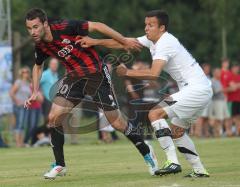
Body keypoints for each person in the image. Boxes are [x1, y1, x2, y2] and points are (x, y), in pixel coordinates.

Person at [24, 8, 158, 179]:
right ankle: (59, 164)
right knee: (54, 117)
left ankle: (147, 152)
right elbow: (38, 65)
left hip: (96, 74)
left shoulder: (65, 27)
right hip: (74, 78)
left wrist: (123, 40)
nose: (33, 32)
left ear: (45, 23)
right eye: (29, 28)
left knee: (117, 123)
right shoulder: (40, 45)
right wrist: (35, 91)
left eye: (35, 27)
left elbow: (98, 26)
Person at [78, 9, 213, 177]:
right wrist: (94, 42)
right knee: (177, 132)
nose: (146, 28)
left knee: (155, 113)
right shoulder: (153, 41)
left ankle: (172, 162)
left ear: (162, 28)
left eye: (151, 25)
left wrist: (127, 73)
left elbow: (154, 74)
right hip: (198, 89)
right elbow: (124, 43)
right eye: (145, 25)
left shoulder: (165, 43)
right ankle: (199, 170)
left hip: (196, 89)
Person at [10, 66, 32, 147]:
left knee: (23, 124)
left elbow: (30, 95)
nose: (25, 74)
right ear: (21, 73)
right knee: (19, 124)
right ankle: (18, 143)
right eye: (23, 72)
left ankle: (21, 142)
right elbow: (11, 93)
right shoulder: (18, 82)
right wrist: (17, 101)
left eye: (27, 72)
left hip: (25, 106)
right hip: (19, 106)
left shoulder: (28, 83)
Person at [40, 58, 59, 123]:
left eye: (56, 64)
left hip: (54, 101)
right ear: (50, 65)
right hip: (46, 101)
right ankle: (45, 133)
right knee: (47, 120)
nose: (55, 66)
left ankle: (50, 133)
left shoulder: (56, 74)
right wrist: (40, 93)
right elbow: (35, 83)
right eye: (53, 64)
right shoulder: (45, 74)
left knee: (53, 121)